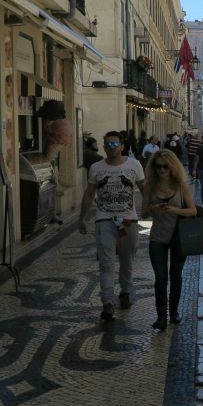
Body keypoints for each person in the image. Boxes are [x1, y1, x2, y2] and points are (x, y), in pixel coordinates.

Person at [79, 131, 145, 321]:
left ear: (122, 146)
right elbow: (89, 193)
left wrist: (148, 208)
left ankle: (125, 291)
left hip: (127, 220)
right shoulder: (96, 168)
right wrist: (82, 218)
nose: (111, 147)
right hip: (104, 220)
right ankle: (107, 302)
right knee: (106, 263)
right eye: (107, 144)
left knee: (126, 260)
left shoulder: (134, 165)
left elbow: (144, 187)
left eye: (115, 144)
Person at [143, 150, 196, 330]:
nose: (162, 170)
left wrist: (174, 210)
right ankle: (161, 316)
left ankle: (174, 312)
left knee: (176, 276)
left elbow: (193, 211)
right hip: (158, 237)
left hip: (179, 237)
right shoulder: (150, 186)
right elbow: (143, 212)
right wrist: (154, 209)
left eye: (165, 166)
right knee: (160, 277)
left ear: (172, 167)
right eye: (158, 167)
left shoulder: (181, 186)